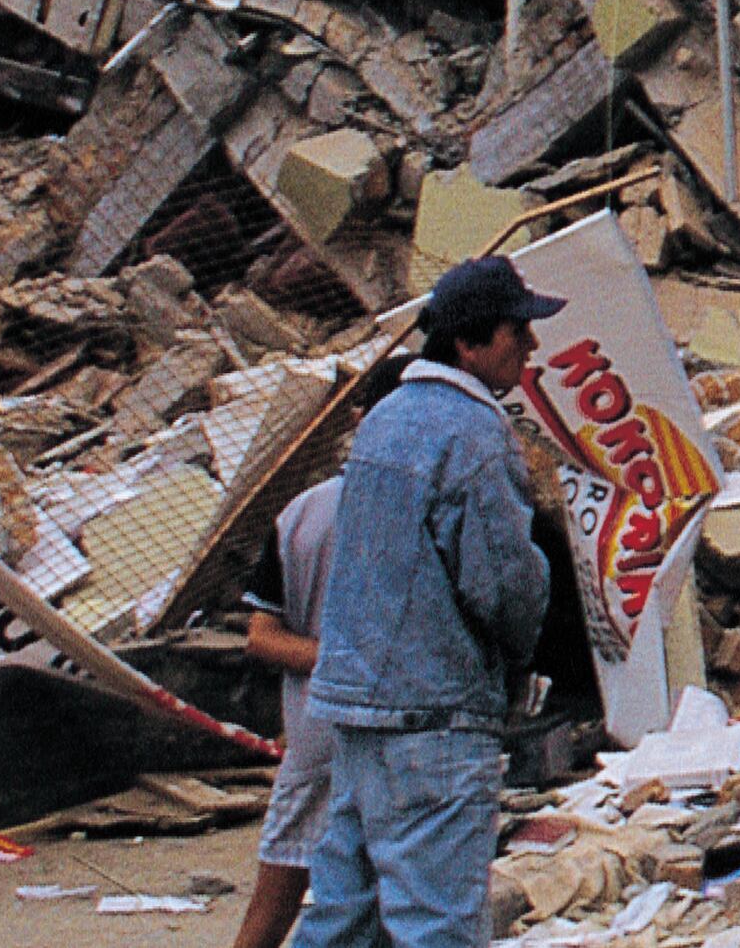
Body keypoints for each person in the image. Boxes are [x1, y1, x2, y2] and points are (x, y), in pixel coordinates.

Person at [300, 253, 564, 948]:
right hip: (435, 713)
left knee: (342, 918)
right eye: (517, 331)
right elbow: (503, 585)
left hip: (360, 707)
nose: (531, 344)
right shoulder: (475, 434)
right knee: (436, 926)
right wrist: (522, 657)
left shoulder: (384, 421)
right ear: (469, 343)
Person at [230, 469, 346, 948]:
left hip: (315, 732)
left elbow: (262, 635)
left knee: (279, 893)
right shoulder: (426, 504)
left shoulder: (304, 512)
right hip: (384, 734)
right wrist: (354, 664)